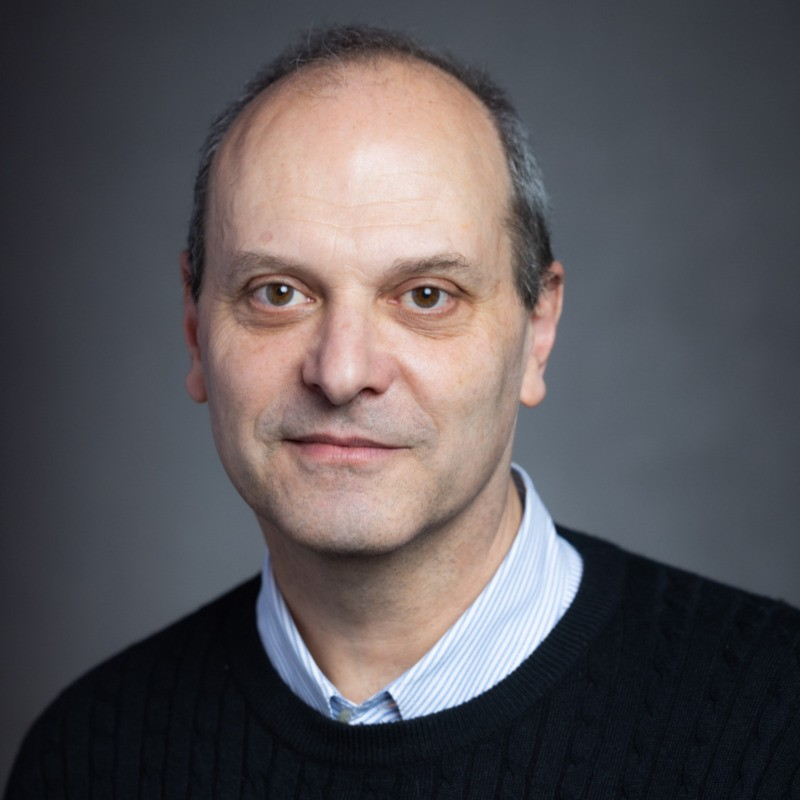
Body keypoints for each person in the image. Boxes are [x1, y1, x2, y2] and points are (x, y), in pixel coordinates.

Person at [5, 25, 799, 799]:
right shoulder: (86, 757)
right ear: (193, 327)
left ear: (538, 331)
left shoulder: (773, 722)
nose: (342, 373)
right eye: (277, 293)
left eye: (426, 296)